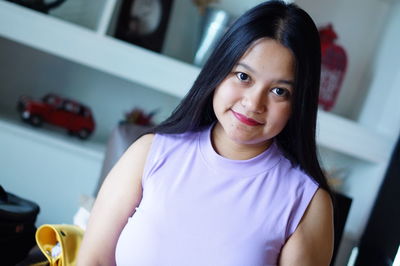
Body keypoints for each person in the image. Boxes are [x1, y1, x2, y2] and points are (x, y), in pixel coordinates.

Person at [77, 1, 334, 265]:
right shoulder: (150, 152)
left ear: (298, 103)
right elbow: (93, 260)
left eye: (279, 91)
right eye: (243, 76)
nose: (253, 103)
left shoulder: (306, 203)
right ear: (219, 72)